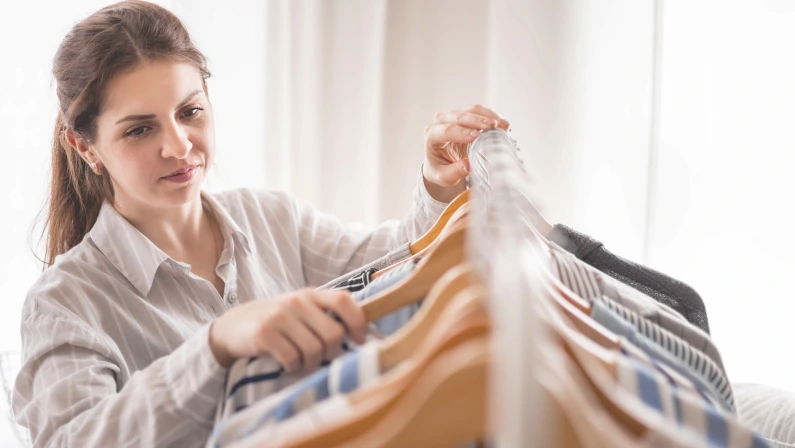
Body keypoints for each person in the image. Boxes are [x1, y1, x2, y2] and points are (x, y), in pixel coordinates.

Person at [11, 1, 510, 447]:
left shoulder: (272, 219)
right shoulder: (65, 305)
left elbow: (402, 269)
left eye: (190, 112)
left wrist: (438, 182)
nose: (180, 146)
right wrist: (216, 346)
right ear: (86, 146)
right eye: (140, 129)